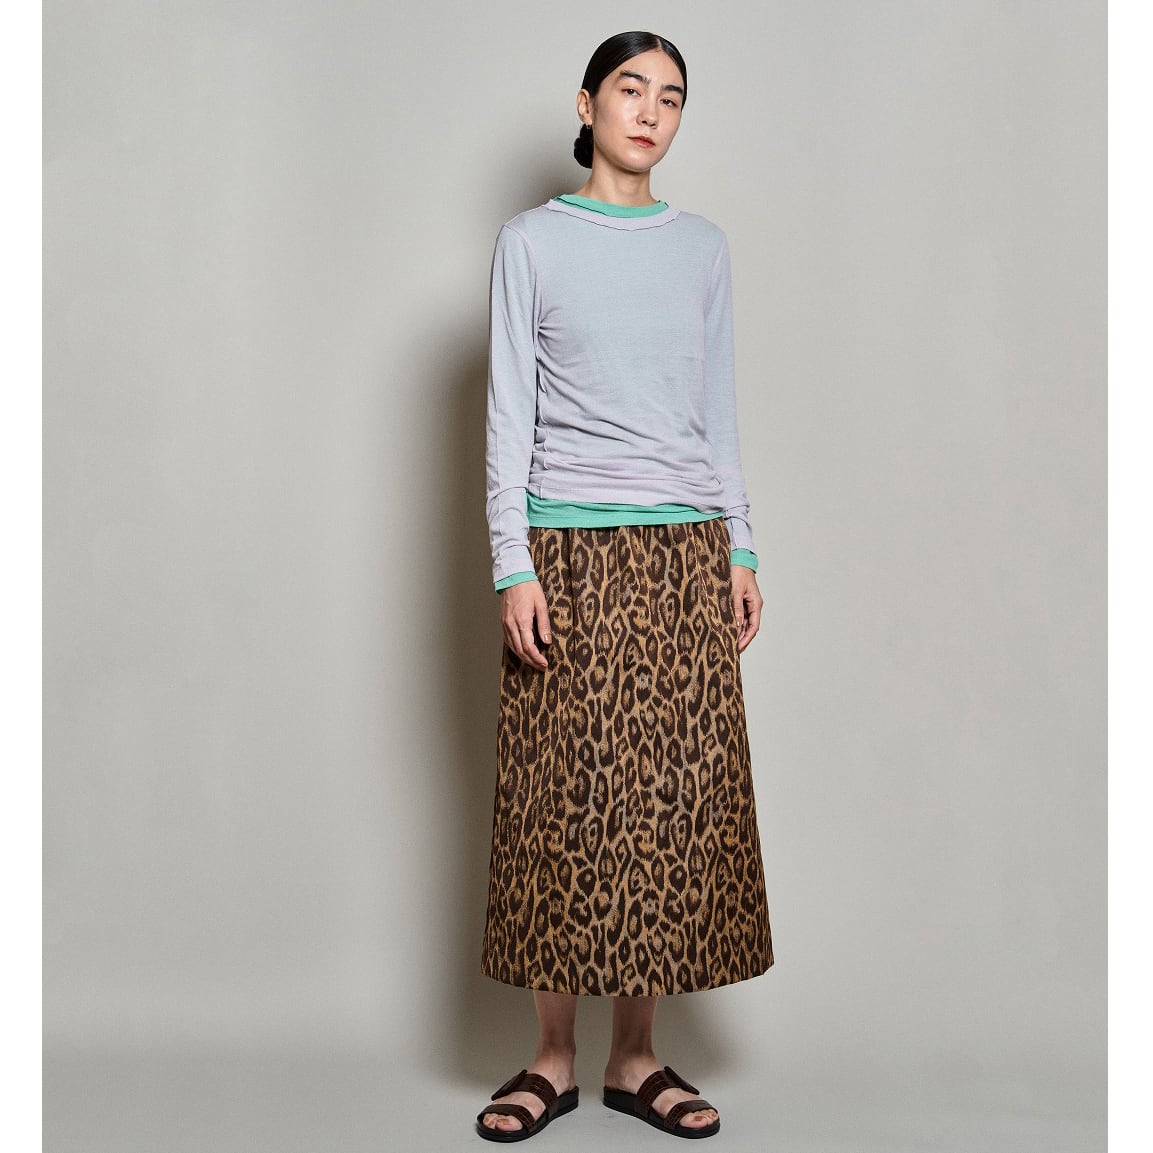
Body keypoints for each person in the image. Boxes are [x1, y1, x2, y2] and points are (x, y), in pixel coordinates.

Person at [476, 30, 774, 1143]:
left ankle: (636, 1057)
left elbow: (714, 407)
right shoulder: (530, 242)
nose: (650, 112)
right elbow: (508, 412)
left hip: (685, 547)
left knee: (665, 810)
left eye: (672, 97)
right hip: (567, 551)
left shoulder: (700, 248)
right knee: (560, 806)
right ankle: (550, 1059)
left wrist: (741, 547)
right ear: (587, 103)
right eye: (631, 89)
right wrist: (512, 561)